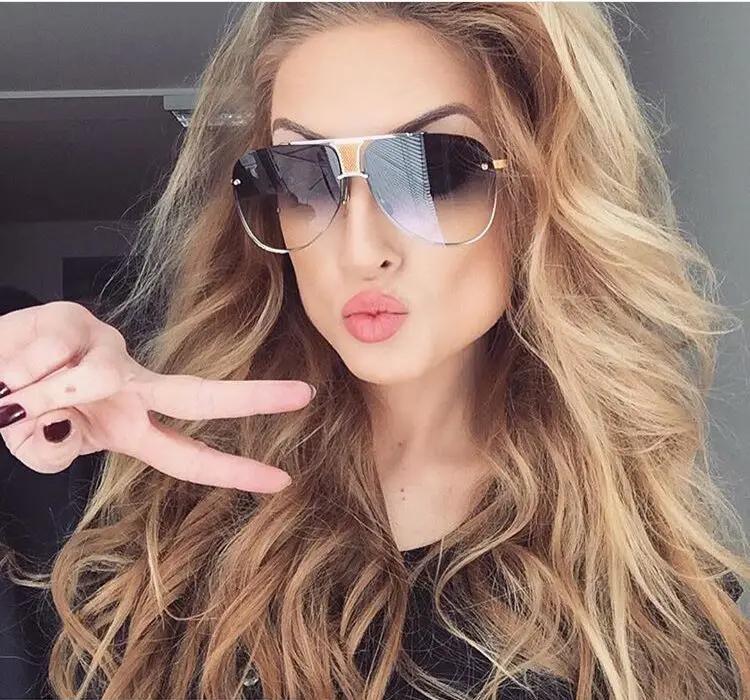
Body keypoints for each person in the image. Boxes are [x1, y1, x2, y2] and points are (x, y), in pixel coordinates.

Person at [0, 3, 748, 699]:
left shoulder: (659, 597)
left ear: (541, 194)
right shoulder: (145, 500)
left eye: (432, 171)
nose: (361, 249)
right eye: (305, 176)